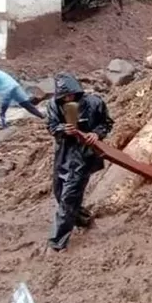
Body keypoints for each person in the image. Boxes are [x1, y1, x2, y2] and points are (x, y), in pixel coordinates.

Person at [46, 73, 113, 251]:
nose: (68, 98)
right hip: (64, 153)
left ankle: (57, 242)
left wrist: (96, 134)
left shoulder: (94, 103)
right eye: (64, 96)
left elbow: (107, 123)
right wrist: (62, 129)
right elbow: (51, 126)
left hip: (85, 155)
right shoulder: (53, 105)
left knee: (69, 197)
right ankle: (84, 219)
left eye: (71, 95)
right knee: (60, 192)